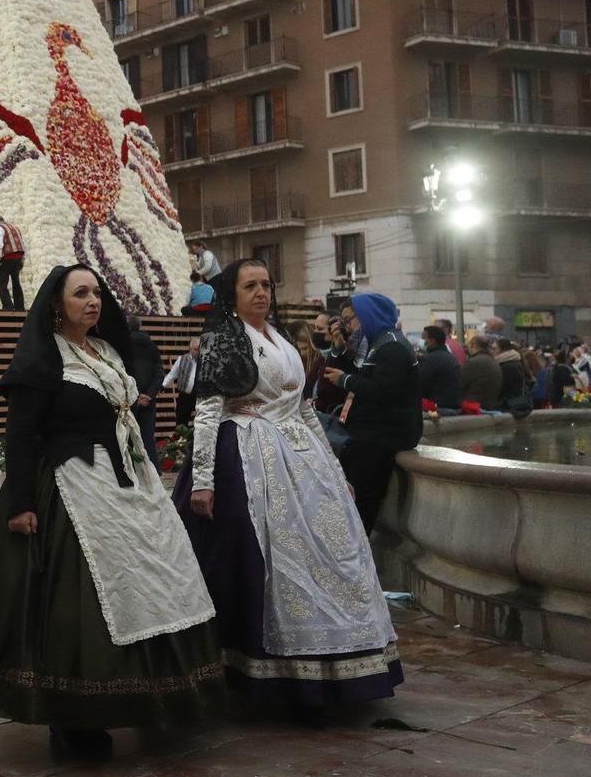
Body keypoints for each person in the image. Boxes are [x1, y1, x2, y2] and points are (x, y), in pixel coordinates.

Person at [0, 265, 221, 757]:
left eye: (97, 292)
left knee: (153, 581)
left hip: (128, 481)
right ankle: (75, 717)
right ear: (57, 305)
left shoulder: (104, 351)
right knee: (78, 602)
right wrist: (19, 504)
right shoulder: (42, 361)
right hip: (70, 484)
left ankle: (159, 697)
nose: (93, 300)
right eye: (80, 293)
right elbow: (20, 434)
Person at [175, 261, 402, 707]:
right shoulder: (225, 339)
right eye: (250, 286)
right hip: (247, 452)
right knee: (271, 559)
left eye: (266, 284)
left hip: (301, 457)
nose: (261, 293)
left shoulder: (280, 340)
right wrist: (203, 479)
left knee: (335, 553)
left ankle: (335, 661)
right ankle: (269, 671)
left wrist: (336, 474)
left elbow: (302, 411)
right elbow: (207, 411)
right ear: (232, 293)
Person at [320, 293, 422, 530]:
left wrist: (345, 380)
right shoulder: (377, 343)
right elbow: (357, 377)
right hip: (369, 432)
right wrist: (339, 351)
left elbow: (384, 391)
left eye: (351, 320)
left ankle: (357, 555)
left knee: (362, 502)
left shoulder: (392, 347)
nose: (349, 326)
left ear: (368, 316)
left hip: (383, 437)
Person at [418, 325, 463, 413]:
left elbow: (423, 386)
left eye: (424, 338)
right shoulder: (449, 356)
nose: (421, 341)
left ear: (432, 340)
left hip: (440, 407)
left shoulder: (432, 358)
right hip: (454, 405)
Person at [0, 213, 26, 309]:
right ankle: (20, 307)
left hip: (7, 258)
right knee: (16, 283)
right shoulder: (15, 228)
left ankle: (8, 307)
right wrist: (22, 260)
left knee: (2, 284)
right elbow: (23, 245)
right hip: (18, 257)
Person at [458, 334, 501, 410]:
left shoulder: (472, 362)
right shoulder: (493, 361)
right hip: (490, 404)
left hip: (473, 406)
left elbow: (459, 383)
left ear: (473, 345)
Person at [494, 339, 532, 417]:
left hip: (510, 404)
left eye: (495, 348)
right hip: (512, 402)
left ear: (503, 349)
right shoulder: (511, 362)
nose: (492, 351)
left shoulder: (508, 366)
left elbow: (504, 386)